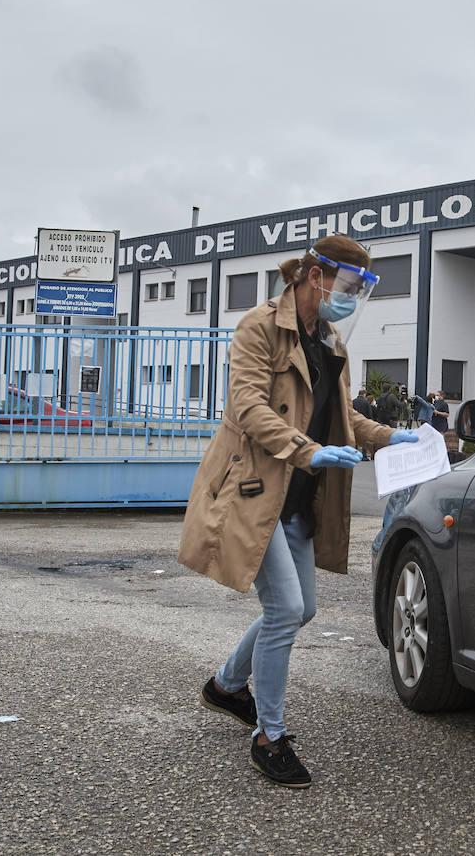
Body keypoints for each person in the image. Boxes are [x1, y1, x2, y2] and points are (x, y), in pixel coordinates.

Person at [179, 235, 418, 789]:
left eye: (362, 289)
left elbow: (344, 418)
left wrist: (392, 437)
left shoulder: (330, 338)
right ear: (317, 277)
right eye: (351, 286)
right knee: (285, 608)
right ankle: (269, 735)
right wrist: (309, 450)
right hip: (253, 489)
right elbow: (246, 408)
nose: (354, 298)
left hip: (299, 499)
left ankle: (225, 686)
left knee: (302, 608)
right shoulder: (258, 327)